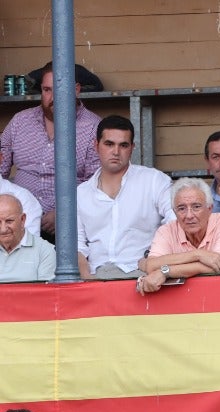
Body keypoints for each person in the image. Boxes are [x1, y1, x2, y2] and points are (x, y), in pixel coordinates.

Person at [0, 63, 99, 239]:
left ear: (76, 90)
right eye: (47, 90)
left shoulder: (93, 127)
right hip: (17, 225)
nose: (53, 97)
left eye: (60, 90)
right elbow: (0, 169)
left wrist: (64, 213)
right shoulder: (20, 122)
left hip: (72, 226)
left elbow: (97, 185)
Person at [75, 115, 174, 279]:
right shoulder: (81, 193)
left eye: (123, 145)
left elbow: (174, 222)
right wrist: (88, 281)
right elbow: (76, 246)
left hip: (143, 274)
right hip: (96, 276)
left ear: (132, 147)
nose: (116, 152)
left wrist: (154, 263)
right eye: (109, 144)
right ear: (96, 145)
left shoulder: (154, 181)